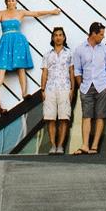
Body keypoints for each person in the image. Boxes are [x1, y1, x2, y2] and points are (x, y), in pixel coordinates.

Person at [0, 0, 61, 98]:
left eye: (13, 0)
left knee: (21, 67)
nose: (11, 2)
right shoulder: (1, 13)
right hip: (5, 41)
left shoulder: (20, 12)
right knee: (2, 66)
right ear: (6, 2)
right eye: (9, 0)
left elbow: (36, 13)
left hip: (18, 41)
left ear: (16, 1)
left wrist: (52, 11)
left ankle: (24, 93)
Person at [69, 21, 106, 154]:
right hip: (86, 87)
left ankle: (94, 146)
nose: (103, 37)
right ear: (93, 34)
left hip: (102, 86)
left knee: (100, 117)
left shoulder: (105, 49)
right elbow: (77, 70)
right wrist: (81, 85)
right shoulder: (79, 49)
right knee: (87, 116)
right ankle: (85, 145)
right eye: (101, 34)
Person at [38, 27, 74, 155]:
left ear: (64, 37)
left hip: (65, 88)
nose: (58, 37)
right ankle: (53, 145)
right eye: (56, 35)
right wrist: (42, 89)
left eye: (60, 35)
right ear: (53, 38)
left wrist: (72, 89)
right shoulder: (47, 54)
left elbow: (71, 72)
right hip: (50, 89)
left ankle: (60, 146)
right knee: (50, 118)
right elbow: (44, 72)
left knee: (64, 118)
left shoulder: (69, 53)